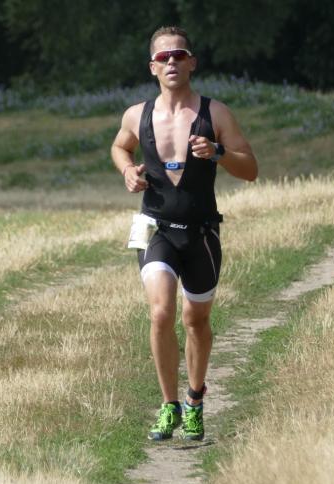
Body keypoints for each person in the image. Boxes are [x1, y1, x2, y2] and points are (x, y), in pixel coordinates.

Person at [111, 26, 258, 441]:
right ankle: (168, 406)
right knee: (160, 313)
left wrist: (219, 153)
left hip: (201, 233)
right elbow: (120, 146)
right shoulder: (136, 115)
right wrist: (127, 170)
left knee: (196, 320)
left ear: (192, 62)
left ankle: (194, 399)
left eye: (179, 55)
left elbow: (251, 169)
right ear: (152, 67)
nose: (171, 62)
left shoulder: (216, 114)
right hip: (154, 228)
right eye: (163, 57)